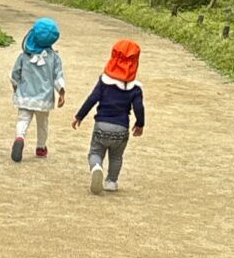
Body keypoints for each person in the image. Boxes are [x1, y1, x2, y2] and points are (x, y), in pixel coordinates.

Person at [74, 38, 146, 193]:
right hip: (121, 128)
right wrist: (140, 124)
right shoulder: (135, 88)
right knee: (116, 157)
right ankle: (111, 182)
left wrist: (79, 116)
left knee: (95, 152)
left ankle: (96, 167)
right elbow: (139, 107)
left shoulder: (104, 81)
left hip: (101, 125)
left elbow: (92, 99)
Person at [10, 16, 65, 161]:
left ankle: (20, 137)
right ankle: (41, 147)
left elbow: (15, 74)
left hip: (25, 95)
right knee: (42, 124)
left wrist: (15, 87)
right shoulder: (54, 58)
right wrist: (61, 92)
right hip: (44, 98)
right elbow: (57, 76)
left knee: (23, 120)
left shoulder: (24, 56)